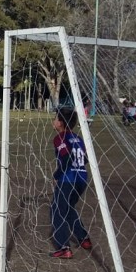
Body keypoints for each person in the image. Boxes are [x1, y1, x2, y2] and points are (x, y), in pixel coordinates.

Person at [49, 107, 92, 259]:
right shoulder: (77, 138)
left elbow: (67, 158)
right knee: (68, 208)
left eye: (56, 118)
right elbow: (85, 159)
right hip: (82, 179)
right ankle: (84, 239)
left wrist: (57, 175)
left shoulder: (60, 138)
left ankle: (64, 247)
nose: (53, 121)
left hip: (68, 179)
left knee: (57, 210)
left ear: (60, 123)